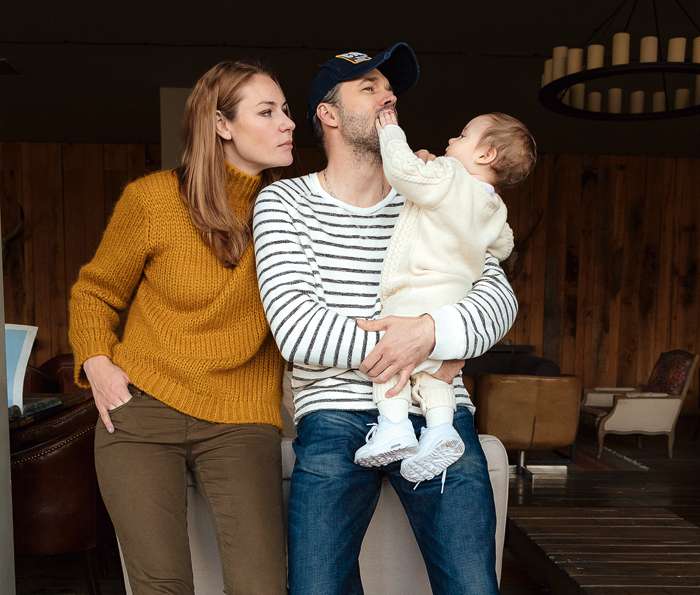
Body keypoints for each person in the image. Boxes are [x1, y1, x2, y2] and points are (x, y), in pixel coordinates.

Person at [253, 42, 517, 595]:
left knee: (473, 585)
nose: (388, 96)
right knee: (316, 587)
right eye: (368, 88)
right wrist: (419, 348)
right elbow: (297, 331)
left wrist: (430, 333)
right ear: (328, 114)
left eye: (390, 89)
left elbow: (498, 299)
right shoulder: (284, 203)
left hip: (436, 413)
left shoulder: (435, 192)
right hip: (334, 414)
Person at [68, 60, 294, 595]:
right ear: (221, 125)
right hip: (143, 411)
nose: (288, 123)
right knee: (162, 586)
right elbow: (95, 292)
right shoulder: (152, 200)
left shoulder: (291, 210)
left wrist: (420, 178)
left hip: (241, 416)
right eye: (267, 112)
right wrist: (98, 364)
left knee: (261, 586)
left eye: (285, 110)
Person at [355, 108, 536, 484]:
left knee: (392, 359)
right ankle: (440, 430)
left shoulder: (450, 174)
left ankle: (394, 427)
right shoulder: (494, 207)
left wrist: (392, 133)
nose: (452, 140)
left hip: (414, 291)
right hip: (452, 300)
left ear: (486, 154)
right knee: (435, 376)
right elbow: (503, 245)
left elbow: (404, 173)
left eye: (463, 135)